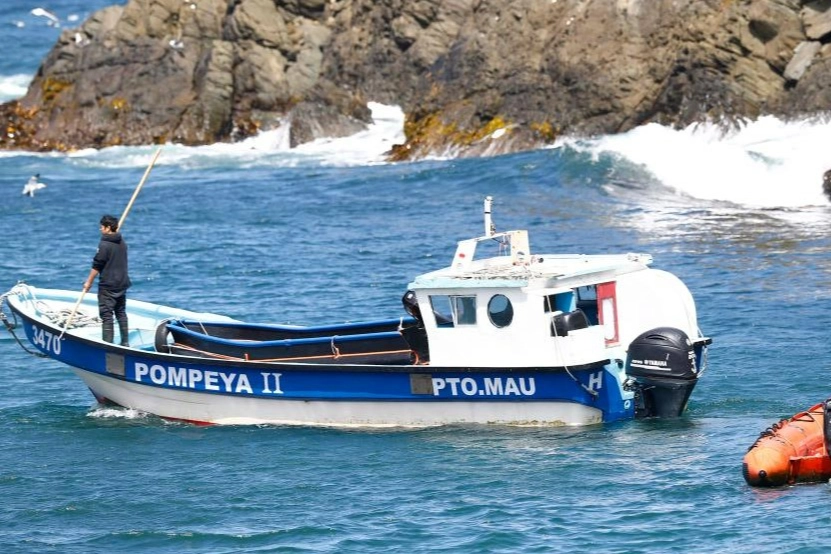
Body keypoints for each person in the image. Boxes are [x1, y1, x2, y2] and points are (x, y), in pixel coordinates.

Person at [83, 215, 131, 345]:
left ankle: (108, 345)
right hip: (122, 283)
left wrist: (89, 282)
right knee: (121, 312)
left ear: (108, 228)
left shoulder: (104, 245)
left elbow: (97, 265)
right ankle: (125, 342)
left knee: (106, 315)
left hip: (108, 285)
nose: (100, 229)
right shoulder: (122, 241)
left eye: (102, 227)